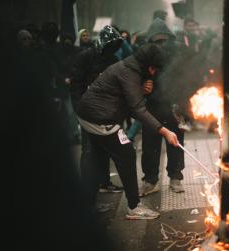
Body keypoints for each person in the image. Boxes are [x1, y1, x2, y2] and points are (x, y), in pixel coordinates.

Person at [76, 43, 179, 219]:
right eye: (153, 69)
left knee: (96, 159)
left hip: (89, 114)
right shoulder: (130, 72)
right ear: (147, 65)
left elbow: (129, 99)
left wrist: (142, 91)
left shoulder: (131, 66)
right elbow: (137, 109)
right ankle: (134, 207)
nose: (154, 73)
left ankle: (87, 205)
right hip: (100, 119)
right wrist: (165, 131)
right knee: (127, 154)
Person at [70, 25, 124, 196]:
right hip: (87, 112)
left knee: (104, 149)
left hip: (106, 112)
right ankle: (87, 191)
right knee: (89, 151)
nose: (112, 48)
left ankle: (104, 182)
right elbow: (76, 84)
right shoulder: (85, 57)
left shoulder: (113, 59)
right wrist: (79, 108)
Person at [139, 18, 186, 196]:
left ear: (170, 39)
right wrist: (142, 86)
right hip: (152, 106)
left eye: (163, 40)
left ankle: (176, 177)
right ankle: (150, 180)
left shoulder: (178, 55)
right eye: (156, 41)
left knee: (176, 143)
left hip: (174, 105)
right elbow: (133, 77)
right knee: (150, 145)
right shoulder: (144, 56)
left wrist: (184, 107)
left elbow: (187, 79)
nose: (160, 45)